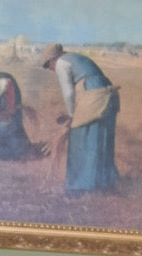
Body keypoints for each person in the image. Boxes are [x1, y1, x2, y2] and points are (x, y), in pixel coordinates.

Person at [41, 42, 120, 192]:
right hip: (107, 94)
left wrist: (72, 116)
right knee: (101, 137)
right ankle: (105, 183)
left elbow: (69, 93)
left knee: (80, 137)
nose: (49, 69)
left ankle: (81, 186)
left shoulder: (61, 63)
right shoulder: (75, 58)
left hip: (94, 94)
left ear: (52, 60)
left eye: (47, 65)